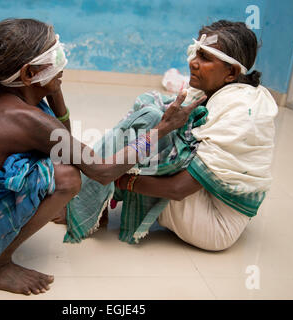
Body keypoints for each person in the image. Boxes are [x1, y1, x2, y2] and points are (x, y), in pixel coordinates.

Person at [0, 18, 205, 295]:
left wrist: (53, 84)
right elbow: (101, 171)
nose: (64, 63)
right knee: (66, 178)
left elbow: (60, 142)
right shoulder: (24, 120)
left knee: (61, 165)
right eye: (57, 58)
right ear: (28, 73)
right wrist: (163, 127)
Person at [64, 20, 278, 252]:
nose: (192, 62)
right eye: (195, 53)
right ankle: (94, 186)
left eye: (205, 58)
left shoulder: (239, 111)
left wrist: (118, 179)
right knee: (151, 121)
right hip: (211, 204)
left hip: (215, 225)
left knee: (146, 126)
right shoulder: (219, 92)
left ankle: (88, 197)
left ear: (231, 72)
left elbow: (179, 189)